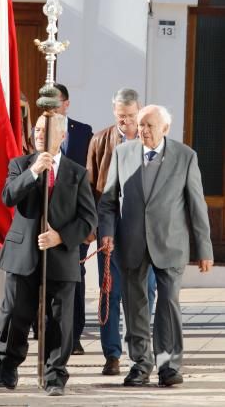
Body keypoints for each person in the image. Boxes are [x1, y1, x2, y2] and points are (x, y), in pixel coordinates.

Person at [98, 105, 213, 388]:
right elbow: (109, 200)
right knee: (134, 305)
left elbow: (197, 205)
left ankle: (168, 365)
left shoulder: (185, 156)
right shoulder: (122, 154)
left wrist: (204, 249)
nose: (143, 130)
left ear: (165, 128)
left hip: (171, 244)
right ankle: (140, 364)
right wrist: (107, 233)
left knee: (168, 303)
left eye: (149, 125)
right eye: (141, 125)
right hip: (132, 243)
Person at [0, 113, 97, 397]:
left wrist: (60, 236)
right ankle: (9, 365)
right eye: (37, 130)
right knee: (16, 314)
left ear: (62, 136)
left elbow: (88, 219)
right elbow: (8, 197)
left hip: (60, 255)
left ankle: (55, 374)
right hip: (23, 253)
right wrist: (33, 173)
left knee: (59, 320)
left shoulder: (77, 173)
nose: (40, 134)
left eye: (47, 130)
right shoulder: (20, 165)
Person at [86, 87, 156, 376]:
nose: (126, 122)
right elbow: (91, 188)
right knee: (109, 293)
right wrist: (97, 229)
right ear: (114, 112)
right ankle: (112, 354)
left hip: (145, 233)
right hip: (111, 231)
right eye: (121, 116)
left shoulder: (151, 139)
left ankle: (138, 347)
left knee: (146, 291)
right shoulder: (101, 140)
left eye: (131, 116)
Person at [54, 83, 93, 355]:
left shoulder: (83, 132)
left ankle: (75, 332)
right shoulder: (38, 130)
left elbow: (89, 178)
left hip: (75, 218)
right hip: (47, 218)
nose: (51, 107)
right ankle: (46, 329)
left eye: (56, 102)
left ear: (67, 103)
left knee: (75, 275)